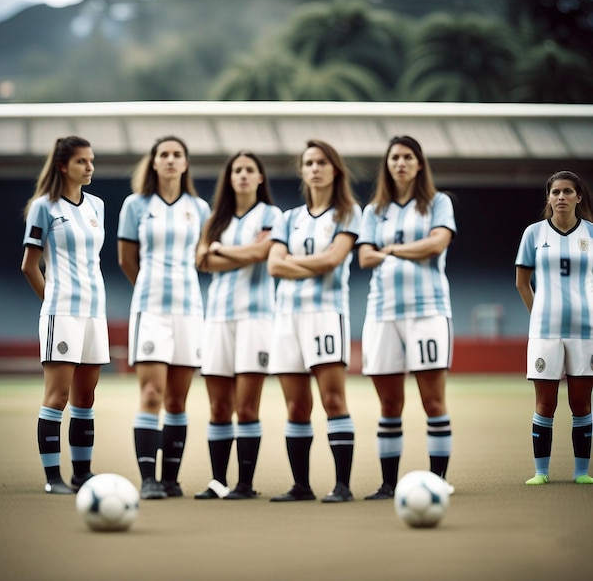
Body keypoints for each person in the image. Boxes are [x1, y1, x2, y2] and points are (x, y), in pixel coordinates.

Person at [357, 135, 456, 500]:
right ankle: (387, 484)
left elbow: (436, 244)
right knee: (389, 404)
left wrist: (392, 249)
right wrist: (399, 252)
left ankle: (438, 481)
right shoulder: (373, 211)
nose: (400, 163)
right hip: (382, 314)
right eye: (394, 157)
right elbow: (364, 258)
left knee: (433, 402)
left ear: (419, 164)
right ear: (387, 165)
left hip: (427, 311)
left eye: (408, 157)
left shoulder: (438, 203)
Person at [267, 139, 361, 503]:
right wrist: (308, 262)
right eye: (309, 163)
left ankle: (342, 486)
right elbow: (273, 264)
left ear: (334, 169)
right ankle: (301, 486)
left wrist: (293, 262)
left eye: (322, 162)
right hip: (287, 316)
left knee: (333, 400)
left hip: (325, 315)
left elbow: (332, 261)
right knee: (295, 407)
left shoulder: (349, 213)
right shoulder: (287, 218)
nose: (315, 168)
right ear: (303, 171)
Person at [117, 135, 210, 500]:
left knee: (177, 400)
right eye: (163, 155)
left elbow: (205, 257)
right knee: (152, 393)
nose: (170, 160)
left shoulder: (200, 208)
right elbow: (126, 259)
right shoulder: (135, 205)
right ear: (153, 163)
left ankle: (171, 479)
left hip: (189, 310)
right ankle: (148, 479)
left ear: (185, 164)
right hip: (151, 310)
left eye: (177, 155)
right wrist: (148, 288)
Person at [21, 136, 109, 494]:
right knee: (58, 396)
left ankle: (82, 474)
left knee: (86, 398)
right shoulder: (44, 207)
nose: (89, 167)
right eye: (81, 162)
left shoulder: (98, 206)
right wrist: (52, 302)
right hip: (62, 312)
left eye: (91, 161)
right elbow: (29, 266)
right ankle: (52, 478)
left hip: (95, 312)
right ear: (62, 166)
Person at [194, 150, 282, 500]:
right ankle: (218, 481)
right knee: (218, 407)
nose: (243, 175)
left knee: (246, 407)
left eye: (250, 170)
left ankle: (245, 484)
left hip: (256, 318)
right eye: (237, 170)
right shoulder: (216, 218)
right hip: (217, 318)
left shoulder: (271, 215)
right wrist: (237, 251)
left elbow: (261, 255)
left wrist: (220, 250)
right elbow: (202, 262)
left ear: (260, 178)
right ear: (229, 178)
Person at [515, 170, 593, 486]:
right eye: (556, 192)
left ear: (579, 197)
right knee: (545, 403)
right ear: (548, 198)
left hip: (585, 331)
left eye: (568, 191)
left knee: (581, 403)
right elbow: (522, 283)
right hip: (545, 332)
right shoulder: (533, 234)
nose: (561, 197)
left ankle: (581, 472)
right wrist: (539, 317)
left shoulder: (591, 233)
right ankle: (541, 472)